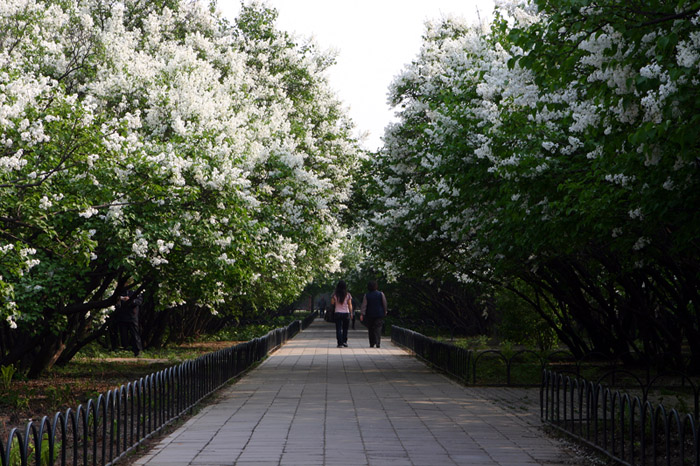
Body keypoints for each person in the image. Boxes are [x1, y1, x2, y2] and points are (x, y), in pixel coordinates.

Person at [115, 289, 143, 356]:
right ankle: (124, 350)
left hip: (132, 315)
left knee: (135, 334)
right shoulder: (121, 290)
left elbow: (139, 301)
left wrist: (131, 300)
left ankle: (137, 351)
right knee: (123, 334)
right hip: (122, 315)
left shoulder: (136, 290)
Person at [360, 281, 388, 348]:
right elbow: (384, 303)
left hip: (370, 314)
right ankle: (378, 342)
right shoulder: (381, 294)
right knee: (378, 328)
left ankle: (372, 343)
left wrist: (362, 314)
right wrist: (385, 311)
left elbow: (364, 305)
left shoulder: (366, 295)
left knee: (371, 328)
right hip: (379, 314)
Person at [331, 280, 352, 347]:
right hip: (346, 312)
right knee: (345, 328)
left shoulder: (335, 295)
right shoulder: (348, 295)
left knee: (338, 328)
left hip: (337, 313)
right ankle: (344, 341)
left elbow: (332, 303)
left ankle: (340, 343)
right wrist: (351, 313)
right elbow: (350, 304)